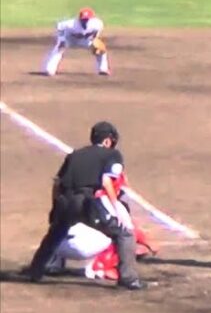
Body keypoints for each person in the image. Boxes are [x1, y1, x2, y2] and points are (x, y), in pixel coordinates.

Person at [24, 121, 147, 290]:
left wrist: (55, 207)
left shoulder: (75, 154)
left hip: (64, 201)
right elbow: (106, 181)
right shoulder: (112, 155)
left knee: (54, 235)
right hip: (87, 202)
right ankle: (128, 278)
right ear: (107, 141)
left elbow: (57, 183)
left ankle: (34, 271)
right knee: (123, 234)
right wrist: (116, 206)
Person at [45, 169, 156, 281]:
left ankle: (53, 263)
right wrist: (148, 244)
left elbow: (57, 183)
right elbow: (128, 230)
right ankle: (100, 268)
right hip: (86, 249)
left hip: (59, 246)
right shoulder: (105, 203)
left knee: (59, 229)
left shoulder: (66, 201)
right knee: (119, 236)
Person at [43, 7, 111, 76]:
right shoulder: (71, 24)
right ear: (79, 18)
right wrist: (62, 39)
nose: (84, 21)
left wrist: (95, 39)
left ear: (91, 18)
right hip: (70, 40)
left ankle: (103, 69)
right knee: (58, 49)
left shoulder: (97, 24)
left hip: (85, 41)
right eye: (83, 19)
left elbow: (96, 33)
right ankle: (50, 70)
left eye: (86, 19)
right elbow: (60, 26)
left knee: (101, 49)